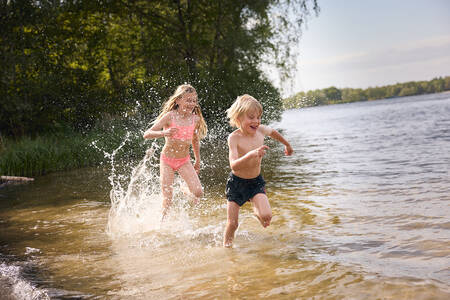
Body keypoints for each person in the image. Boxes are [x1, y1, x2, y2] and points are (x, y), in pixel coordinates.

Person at [223, 94, 293, 247]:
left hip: (255, 182)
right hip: (236, 183)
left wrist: (287, 145)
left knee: (267, 216)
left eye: (259, 117)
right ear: (238, 118)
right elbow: (234, 165)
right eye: (251, 117)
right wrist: (251, 154)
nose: (256, 121)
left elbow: (274, 133)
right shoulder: (234, 138)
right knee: (233, 224)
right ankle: (227, 250)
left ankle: (257, 208)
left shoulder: (261, 131)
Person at [143, 84, 207, 219]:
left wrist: (198, 160)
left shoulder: (195, 119)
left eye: (194, 101)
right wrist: (164, 132)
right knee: (168, 198)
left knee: (198, 192)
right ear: (178, 100)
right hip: (167, 160)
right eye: (188, 100)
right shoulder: (170, 116)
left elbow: (195, 140)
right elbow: (147, 134)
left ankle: (185, 189)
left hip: (184, 161)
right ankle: (161, 225)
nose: (192, 104)